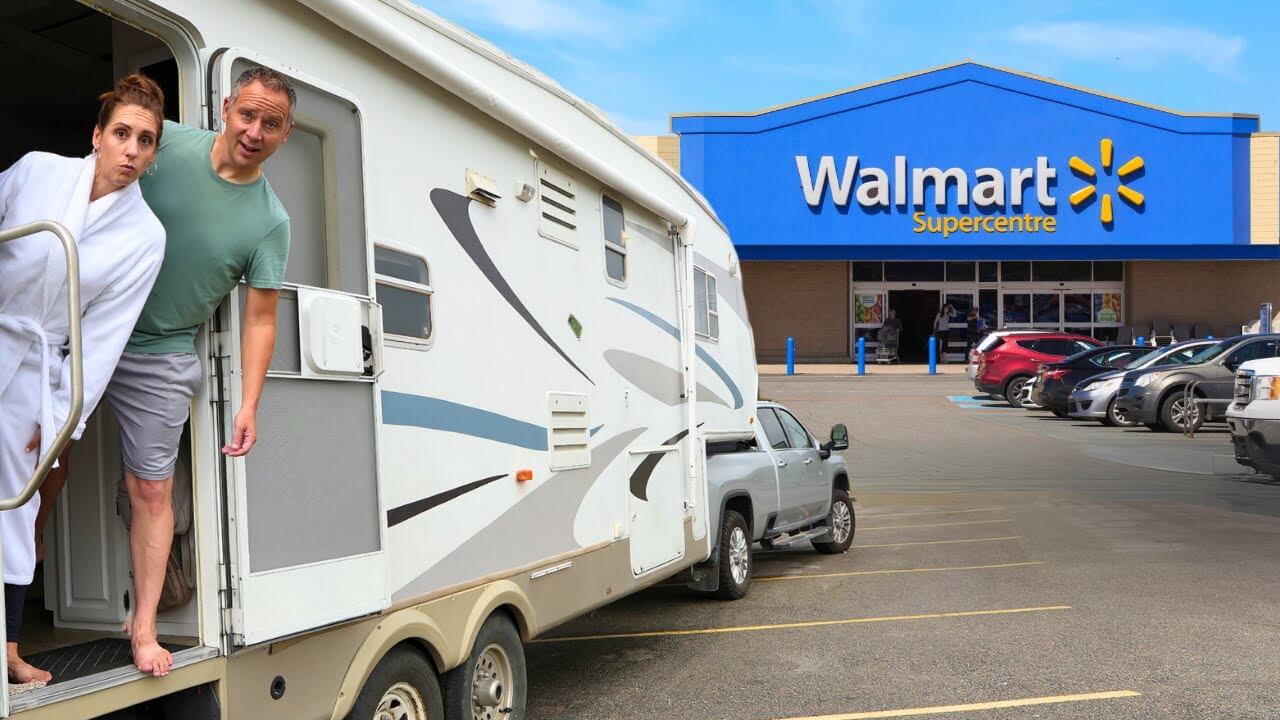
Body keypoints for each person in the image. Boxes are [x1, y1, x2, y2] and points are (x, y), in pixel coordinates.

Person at [97, 66, 293, 678]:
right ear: (227, 107)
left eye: (272, 124)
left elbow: (261, 320)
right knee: (39, 466)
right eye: (248, 114)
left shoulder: (269, 221)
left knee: (151, 489)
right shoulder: (165, 143)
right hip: (89, 325)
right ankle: (14, 623)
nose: (255, 130)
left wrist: (249, 403)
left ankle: (146, 629)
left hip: (162, 352)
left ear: (285, 135)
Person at [0, 74, 167, 684]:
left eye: (144, 141)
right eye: (121, 133)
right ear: (96, 137)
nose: (130, 149)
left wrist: (57, 421)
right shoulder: (38, 171)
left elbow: (100, 345)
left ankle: (8, 647)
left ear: (153, 155)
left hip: (38, 372)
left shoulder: (145, 237)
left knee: (14, 505)